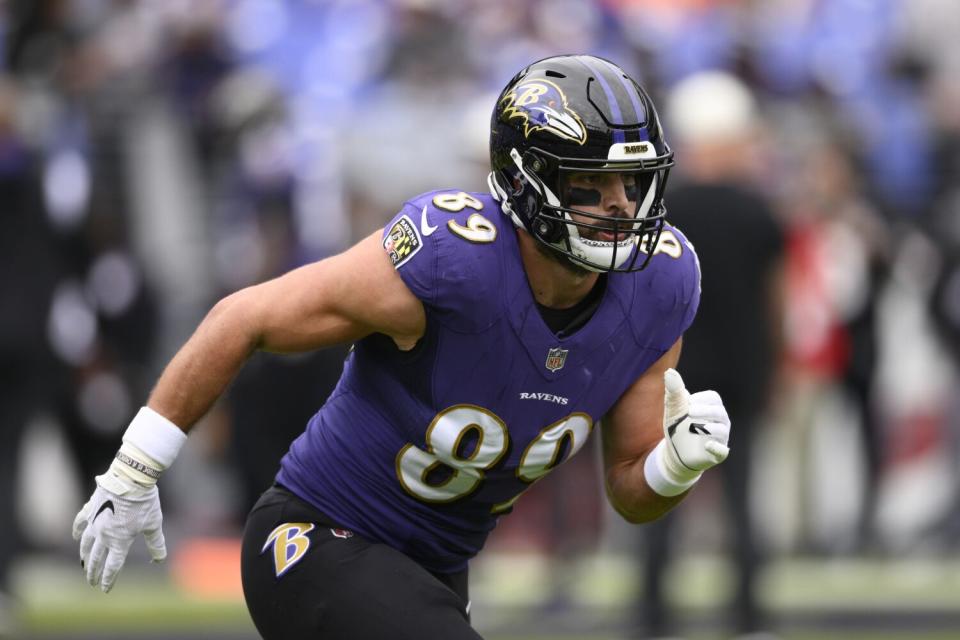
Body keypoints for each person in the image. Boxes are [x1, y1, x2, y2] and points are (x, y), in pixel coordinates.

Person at [71, 54, 732, 639]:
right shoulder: (454, 263)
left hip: (434, 569)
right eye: (589, 185)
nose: (619, 207)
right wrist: (137, 467)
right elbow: (245, 318)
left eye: (633, 183)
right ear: (526, 182)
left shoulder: (661, 285)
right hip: (319, 539)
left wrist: (675, 464)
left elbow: (629, 491)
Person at [635, 71, 785, 638]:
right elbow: (777, 304)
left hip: (667, 378)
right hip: (742, 380)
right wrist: (777, 370)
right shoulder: (758, 211)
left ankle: (650, 622)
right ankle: (749, 622)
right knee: (744, 509)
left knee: (654, 504)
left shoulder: (661, 209)